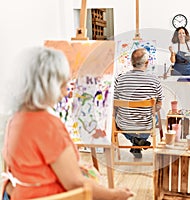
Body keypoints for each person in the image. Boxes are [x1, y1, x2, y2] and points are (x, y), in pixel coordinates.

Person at [2, 46, 133, 200]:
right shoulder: (47, 125)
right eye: (62, 85)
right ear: (46, 85)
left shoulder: (15, 120)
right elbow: (75, 183)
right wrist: (114, 195)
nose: (66, 92)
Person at [114, 48, 163, 159]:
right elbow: (159, 105)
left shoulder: (120, 80)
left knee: (117, 120)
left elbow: (115, 104)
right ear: (146, 63)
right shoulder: (154, 81)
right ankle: (139, 141)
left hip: (124, 125)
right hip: (146, 125)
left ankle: (135, 142)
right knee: (154, 118)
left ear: (131, 62)